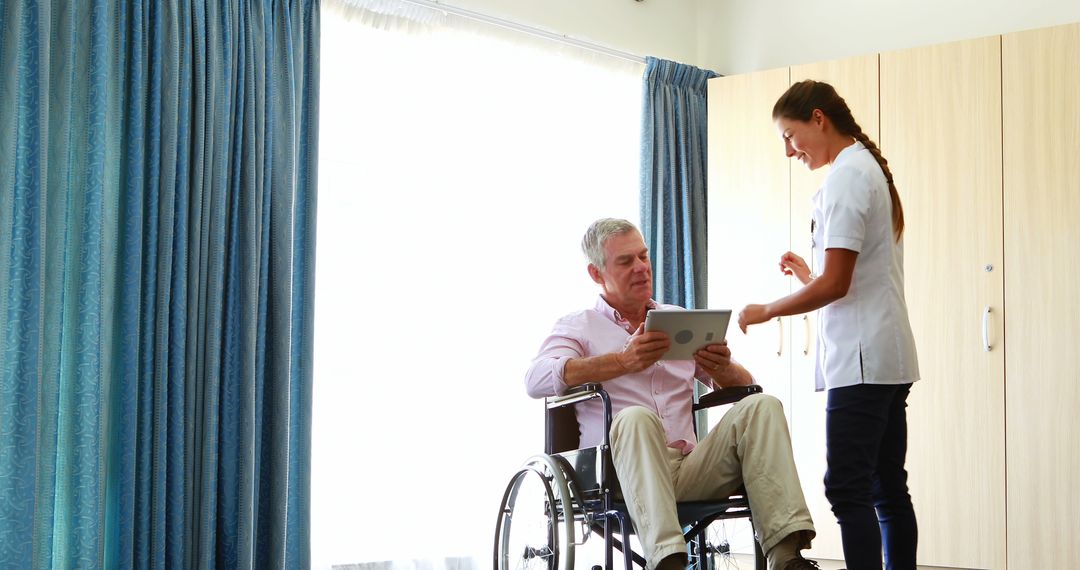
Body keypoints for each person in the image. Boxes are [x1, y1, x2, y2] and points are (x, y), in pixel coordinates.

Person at [525, 218, 818, 570]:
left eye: (643, 257)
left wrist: (722, 366)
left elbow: (743, 386)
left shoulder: (677, 319)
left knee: (762, 405)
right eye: (625, 261)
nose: (641, 268)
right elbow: (535, 379)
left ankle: (786, 557)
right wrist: (621, 361)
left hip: (689, 468)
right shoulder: (579, 325)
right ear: (596, 272)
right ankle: (667, 562)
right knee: (634, 416)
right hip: (620, 473)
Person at [737, 80, 921, 570]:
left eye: (790, 135)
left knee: (847, 487)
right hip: (883, 354)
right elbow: (851, 278)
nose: (787, 150)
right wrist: (808, 276)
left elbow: (838, 287)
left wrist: (767, 309)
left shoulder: (846, 177)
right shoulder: (863, 169)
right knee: (885, 486)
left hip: (863, 361)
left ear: (819, 119)